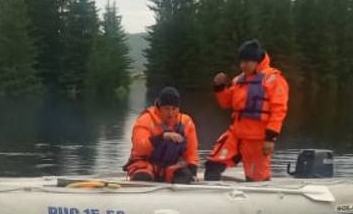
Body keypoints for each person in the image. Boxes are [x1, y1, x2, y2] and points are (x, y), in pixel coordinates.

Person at [204, 39, 289, 182]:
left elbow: (279, 110)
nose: (243, 65)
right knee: (213, 164)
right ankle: (210, 199)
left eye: (247, 62)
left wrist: (270, 138)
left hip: (258, 139)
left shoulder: (273, 79)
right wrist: (219, 88)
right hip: (236, 134)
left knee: (257, 180)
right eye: (241, 62)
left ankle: (261, 201)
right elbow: (226, 103)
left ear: (256, 61)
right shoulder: (239, 80)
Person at [123, 86, 199, 183]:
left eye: (174, 109)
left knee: (186, 178)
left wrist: (192, 172)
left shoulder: (186, 122)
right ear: (159, 107)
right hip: (145, 164)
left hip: (171, 167)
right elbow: (139, 148)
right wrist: (162, 137)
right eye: (167, 109)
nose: (171, 113)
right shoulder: (145, 120)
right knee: (143, 177)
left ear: (178, 108)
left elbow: (191, 153)